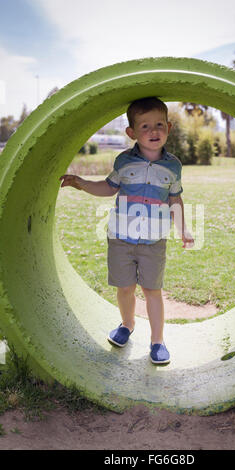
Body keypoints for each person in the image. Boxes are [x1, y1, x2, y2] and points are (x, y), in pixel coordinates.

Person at [59, 97, 194, 365]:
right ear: (131, 133)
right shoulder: (124, 161)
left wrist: (183, 229)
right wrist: (82, 183)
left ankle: (157, 341)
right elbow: (109, 188)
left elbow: (174, 199)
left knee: (152, 290)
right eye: (145, 126)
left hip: (153, 242)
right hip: (120, 238)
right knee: (124, 288)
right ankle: (127, 324)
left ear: (168, 127)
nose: (153, 131)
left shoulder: (173, 166)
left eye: (158, 125)